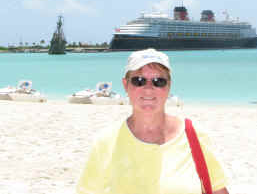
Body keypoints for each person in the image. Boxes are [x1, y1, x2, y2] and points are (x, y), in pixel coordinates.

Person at [77, 48, 229, 194]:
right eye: (139, 80)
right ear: (125, 85)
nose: (148, 89)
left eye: (158, 81)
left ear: (169, 86)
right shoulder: (105, 142)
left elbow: (217, 189)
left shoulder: (194, 136)